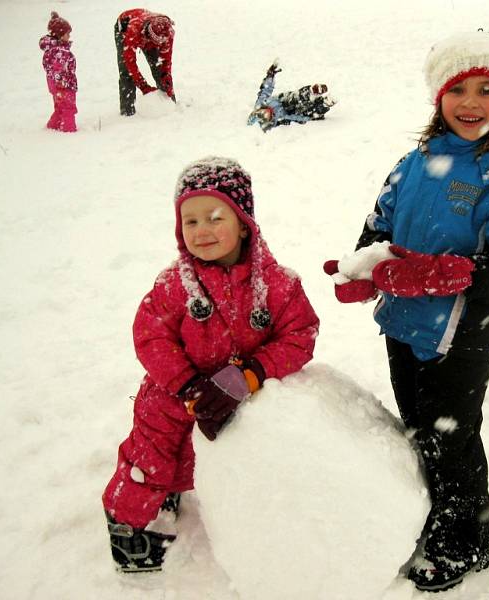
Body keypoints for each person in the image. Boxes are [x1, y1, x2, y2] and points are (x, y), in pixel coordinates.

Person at [323, 32, 489, 592]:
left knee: (453, 434)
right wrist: (363, 267)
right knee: (420, 426)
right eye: (459, 90)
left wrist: (449, 274)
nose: (471, 103)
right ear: (437, 97)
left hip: (461, 330)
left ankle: (470, 539)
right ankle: (433, 508)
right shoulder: (413, 164)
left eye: (487, 90)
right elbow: (379, 223)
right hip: (402, 323)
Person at [102, 157, 320, 572]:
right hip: (170, 395)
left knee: (206, 456)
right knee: (150, 459)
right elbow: (151, 336)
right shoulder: (173, 285)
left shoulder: (277, 285)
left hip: (237, 392)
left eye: (214, 217)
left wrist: (249, 374)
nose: (201, 232)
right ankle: (128, 523)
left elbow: (300, 335)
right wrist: (185, 384)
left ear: (243, 224)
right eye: (191, 222)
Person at [114, 9, 176, 116]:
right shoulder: (133, 30)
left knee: (159, 69)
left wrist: (167, 79)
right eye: (154, 42)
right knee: (126, 73)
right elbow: (130, 64)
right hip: (125, 29)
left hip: (147, 30)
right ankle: (127, 112)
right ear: (147, 35)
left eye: (158, 43)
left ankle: (169, 104)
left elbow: (166, 60)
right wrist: (144, 86)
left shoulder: (167, 32)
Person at [247, 61, 336, 132]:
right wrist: (310, 117)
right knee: (303, 111)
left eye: (261, 112)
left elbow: (265, 90)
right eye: (265, 116)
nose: (266, 112)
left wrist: (270, 75)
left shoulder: (261, 103)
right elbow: (293, 118)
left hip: (283, 100)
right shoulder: (278, 118)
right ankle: (323, 104)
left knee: (292, 100)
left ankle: (311, 92)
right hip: (291, 111)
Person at [39, 12, 77, 132]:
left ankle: (53, 127)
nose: (69, 36)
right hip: (64, 86)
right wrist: (62, 83)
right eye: (67, 34)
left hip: (56, 87)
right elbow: (57, 70)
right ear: (60, 35)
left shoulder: (51, 50)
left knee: (60, 108)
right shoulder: (60, 52)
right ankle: (69, 130)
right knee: (68, 109)